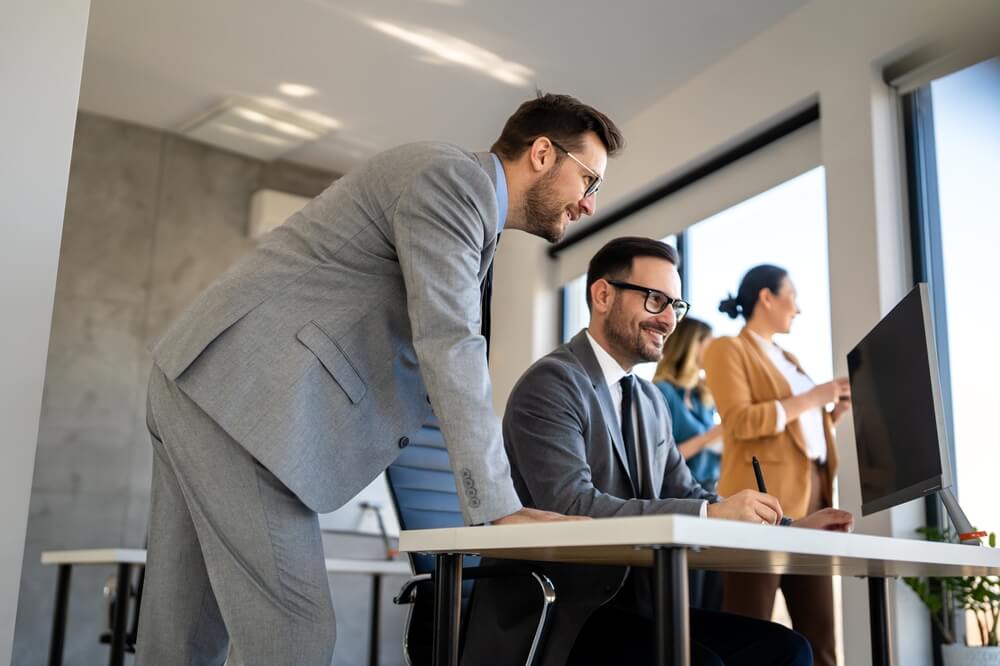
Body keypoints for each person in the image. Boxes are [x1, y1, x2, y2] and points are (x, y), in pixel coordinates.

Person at [135, 93, 622, 665]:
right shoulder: (453, 183)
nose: (589, 204)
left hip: (205, 381)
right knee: (294, 636)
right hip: (239, 400)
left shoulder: (459, 200)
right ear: (543, 154)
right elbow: (449, 340)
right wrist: (498, 507)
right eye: (588, 181)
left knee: (183, 637)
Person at [462, 238, 853, 666]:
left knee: (788, 648)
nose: (669, 319)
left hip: (640, 605)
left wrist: (789, 528)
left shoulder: (649, 401)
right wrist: (710, 515)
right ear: (603, 295)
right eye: (655, 300)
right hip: (567, 612)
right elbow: (571, 506)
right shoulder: (552, 384)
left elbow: (689, 493)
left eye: (675, 305)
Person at [704, 264, 852, 666]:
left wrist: (830, 414)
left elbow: (794, 433)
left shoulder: (788, 358)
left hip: (813, 504)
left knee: (821, 640)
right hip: (760, 507)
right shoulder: (725, 349)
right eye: (793, 297)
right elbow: (741, 420)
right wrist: (814, 396)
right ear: (766, 298)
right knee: (750, 638)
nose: (798, 309)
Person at [653, 316, 723, 610]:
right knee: (688, 593)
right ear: (690, 345)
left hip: (710, 493)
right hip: (679, 497)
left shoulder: (704, 396)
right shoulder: (661, 392)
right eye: (707, 343)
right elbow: (660, 455)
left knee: (713, 593)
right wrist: (710, 437)